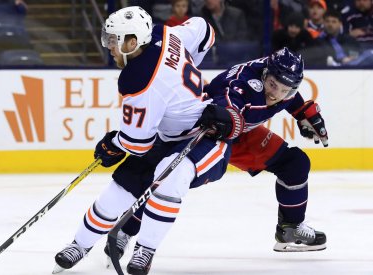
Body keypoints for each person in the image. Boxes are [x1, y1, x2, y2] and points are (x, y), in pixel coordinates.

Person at [53, 6, 242, 275]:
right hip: (168, 138)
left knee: (170, 177)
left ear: (132, 42)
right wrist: (187, 64)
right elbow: (205, 30)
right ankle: (80, 245)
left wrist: (112, 146)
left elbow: (137, 143)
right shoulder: (164, 34)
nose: (109, 46)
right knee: (119, 190)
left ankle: (145, 250)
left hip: (206, 139)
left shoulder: (138, 78)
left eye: (113, 40)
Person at [103, 47, 328, 269]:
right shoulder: (244, 84)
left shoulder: (279, 79)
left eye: (285, 91)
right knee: (168, 181)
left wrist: (303, 112)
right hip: (208, 131)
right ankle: (126, 229)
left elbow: (289, 93)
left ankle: (290, 227)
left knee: (295, 163)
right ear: (265, 75)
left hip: (239, 132)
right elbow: (231, 105)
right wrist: (226, 118)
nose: (275, 95)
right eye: (272, 86)